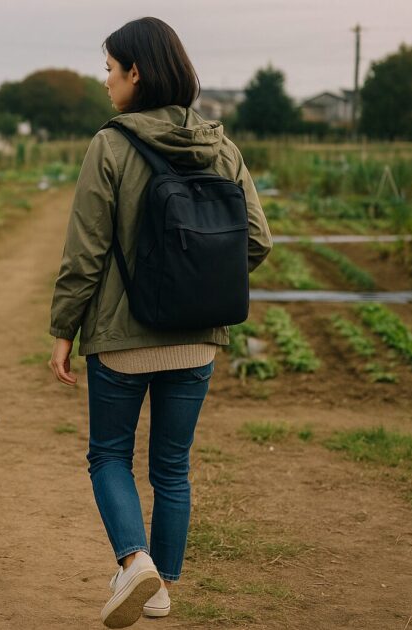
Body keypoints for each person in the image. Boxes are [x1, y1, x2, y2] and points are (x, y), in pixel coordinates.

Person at [48, 17, 273, 629]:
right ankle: (161, 589)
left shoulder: (111, 145)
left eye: (110, 70)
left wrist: (64, 329)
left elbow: (85, 253)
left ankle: (134, 561)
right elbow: (256, 240)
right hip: (196, 340)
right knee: (172, 467)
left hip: (123, 340)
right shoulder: (221, 147)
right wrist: (199, 285)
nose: (106, 82)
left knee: (109, 456)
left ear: (136, 73)